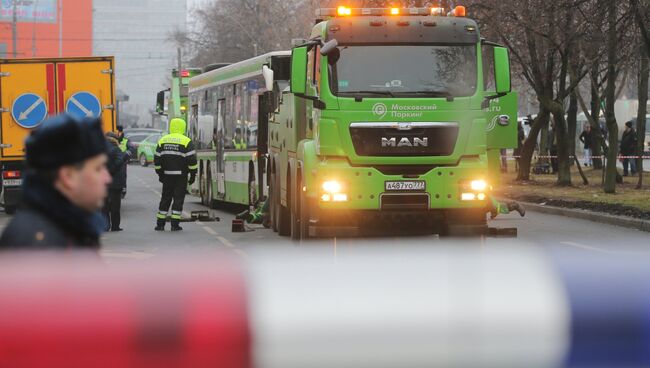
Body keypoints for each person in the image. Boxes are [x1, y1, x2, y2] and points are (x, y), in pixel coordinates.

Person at [0, 114, 111, 250]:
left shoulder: (70, 227)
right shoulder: (38, 244)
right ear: (67, 177)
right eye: (98, 168)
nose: (107, 178)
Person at [154, 118, 198, 231]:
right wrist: (193, 175)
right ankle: (174, 224)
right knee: (178, 199)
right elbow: (192, 161)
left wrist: (160, 174)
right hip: (181, 177)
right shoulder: (186, 141)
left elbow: (157, 159)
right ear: (183, 127)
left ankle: (160, 224)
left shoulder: (163, 140)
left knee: (165, 198)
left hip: (167, 176)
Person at [103, 132, 130, 231]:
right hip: (116, 181)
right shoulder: (116, 148)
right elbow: (119, 161)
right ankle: (115, 226)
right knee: (115, 205)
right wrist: (111, 170)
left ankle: (105, 226)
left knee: (104, 206)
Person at [116, 125, 131, 198]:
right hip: (114, 160)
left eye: (118, 131)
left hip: (122, 161)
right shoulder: (114, 139)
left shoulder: (125, 140)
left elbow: (130, 149)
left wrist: (125, 157)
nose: (117, 133)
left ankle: (123, 190)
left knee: (123, 175)